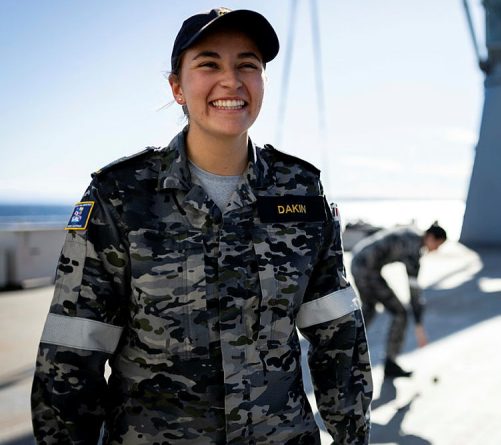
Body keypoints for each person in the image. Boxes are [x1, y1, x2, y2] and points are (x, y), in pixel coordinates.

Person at [30, 8, 372, 444]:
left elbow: (337, 336)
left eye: (248, 65)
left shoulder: (301, 192)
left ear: (262, 81)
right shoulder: (120, 196)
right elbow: (72, 351)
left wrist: (353, 435)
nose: (231, 80)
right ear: (177, 87)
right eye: (209, 64)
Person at [350, 223, 447, 378]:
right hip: (367, 268)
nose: (436, 249)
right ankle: (390, 363)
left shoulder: (413, 233)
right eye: (438, 244)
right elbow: (414, 290)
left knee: (369, 308)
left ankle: (347, 352)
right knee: (400, 313)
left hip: (359, 261)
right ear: (430, 237)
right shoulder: (414, 248)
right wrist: (418, 322)